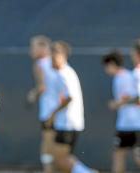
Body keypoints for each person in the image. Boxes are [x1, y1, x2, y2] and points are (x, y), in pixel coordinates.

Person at [48, 41, 97, 173]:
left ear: (62, 56)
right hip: (69, 122)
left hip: (67, 123)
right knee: (62, 159)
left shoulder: (64, 73)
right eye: (50, 57)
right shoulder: (64, 72)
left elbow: (69, 97)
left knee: (60, 160)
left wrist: (53, 113)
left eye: (54, 57)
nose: (51, 60)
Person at [102, 50, 140, 173]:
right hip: (130, 123)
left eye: (106, 66)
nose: (106, 70)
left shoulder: (123, 78)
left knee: (119, 155)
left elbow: (134, 98)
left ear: (112, 64)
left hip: (128, 124)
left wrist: (116, 104)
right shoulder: (127, 76)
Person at [27, 35, 58, 173]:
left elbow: (42, 87)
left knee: (47, 144)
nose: (31, 50)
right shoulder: (58, 62)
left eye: (33, 47)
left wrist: (32, 95)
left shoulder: (39, 64)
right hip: (61, 111)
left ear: (43, 48)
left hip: (49, 112)